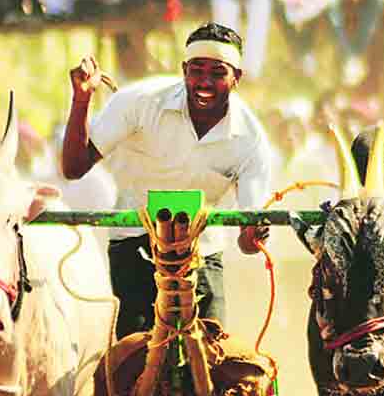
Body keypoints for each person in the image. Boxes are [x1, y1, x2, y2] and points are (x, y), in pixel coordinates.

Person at [62, 22, 272, 339]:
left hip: (203, 251)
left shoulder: (251, 140)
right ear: (183, 70)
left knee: (213, 351)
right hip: (135, 240)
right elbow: (74, 167)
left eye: (218, 73)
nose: (205, 82)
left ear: (236, 78)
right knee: (133, 354)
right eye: (197, 70)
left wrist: (254, 233)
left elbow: (247, 242)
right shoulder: (139, 102)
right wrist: (81, 101)